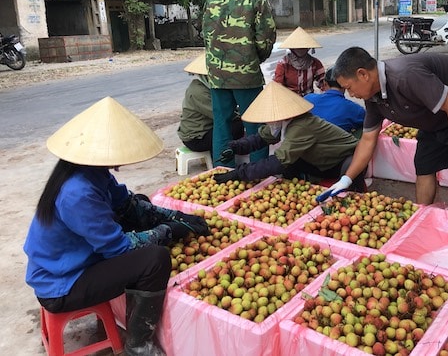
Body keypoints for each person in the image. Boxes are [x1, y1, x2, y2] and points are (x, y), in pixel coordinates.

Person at [23, 97, 210, 356]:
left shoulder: (90, 173)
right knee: (155, 260)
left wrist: (176, 217)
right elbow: (119, 249)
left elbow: (130, 205)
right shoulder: (77, 194)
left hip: (73, 264)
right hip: (62, 284)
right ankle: (138, 345)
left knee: (140, 206)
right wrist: (167, 232)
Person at [320, 47, 448, 214]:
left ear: (363, 74)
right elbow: (368, 139)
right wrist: (346, 179)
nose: (350, 95)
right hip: (435, 116)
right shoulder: (372, 98)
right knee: (424, 165)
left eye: (349, 88)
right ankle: (422, 217)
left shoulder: (406, 76)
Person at [213, 81, 365, 192]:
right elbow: (259, 139)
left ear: (280, 114)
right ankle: (296, 191)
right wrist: (235, 147)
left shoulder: (301, 126)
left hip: (342, 159)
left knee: (284, 162)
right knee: (289, 165)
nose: (267, 121)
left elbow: (278, 161)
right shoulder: (280, 124)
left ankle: (356, 194)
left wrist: (239, 173)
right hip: (320, 160)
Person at [202, 0, 276, 167]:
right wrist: (253, 60)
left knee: (222, 125)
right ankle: (257, 173)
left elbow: (206, 37)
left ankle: (223, 174)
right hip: (246, 77)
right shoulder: (256, 0)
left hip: (217, 76)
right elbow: (265, 39)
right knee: (255, 125)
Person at [177, 55, 244, 152]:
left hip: (204, 130)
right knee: (237, 126)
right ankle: (223, 154)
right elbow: (222, 115)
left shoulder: (203, 87)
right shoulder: (199, 92)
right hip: (196, 138)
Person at [304, 66, 365, 136]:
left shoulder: (307, 99)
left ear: (325, 83)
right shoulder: (355, 109)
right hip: (335, 145)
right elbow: (371, 124)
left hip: (305, 142)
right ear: (345, 84)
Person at [274, 26, 326, 96]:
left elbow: (323, 83)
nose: (301, 49)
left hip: (308, 98)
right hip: (289, 99)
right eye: (298, 47)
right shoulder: (283, 64)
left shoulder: (315, 63)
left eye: (303, 47)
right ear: (291, 48)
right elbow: (278, 86)